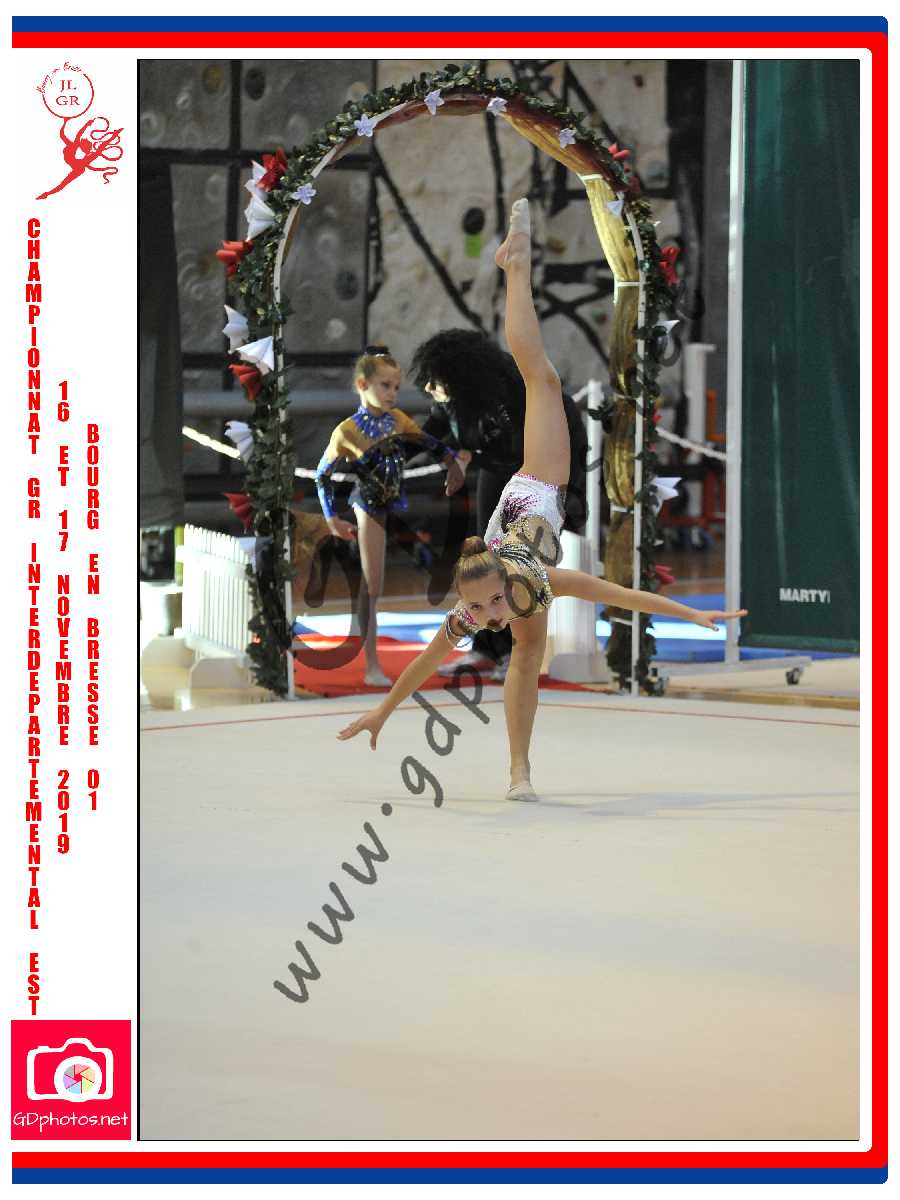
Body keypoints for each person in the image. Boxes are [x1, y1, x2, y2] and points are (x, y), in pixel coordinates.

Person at [337, 201, 746, 799]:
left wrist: (695, 617)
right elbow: (424, 662)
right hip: (515, 504)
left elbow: (622, 595)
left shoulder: (534, 579)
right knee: (526, 654)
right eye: (482, 611)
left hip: (538, 481)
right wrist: (383, 711)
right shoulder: (481, 602)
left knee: (543, 379)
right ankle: (519, 773)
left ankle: (516, 265)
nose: (488, 616)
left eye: (489, 606)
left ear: (501, 582)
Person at [409, 329, 588, 682]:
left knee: (517, 563)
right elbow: (432, 432)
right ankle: (487, 648)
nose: (428, 387)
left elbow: (535, 448)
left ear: (458, 376)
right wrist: (390, 455)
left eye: (434, 380)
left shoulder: (512, 389)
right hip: (499, 465)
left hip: (539, 472)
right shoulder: (456, 396)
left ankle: (517, 652)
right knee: (486, 558)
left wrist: (569, 495)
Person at [315, 346, 464, 686]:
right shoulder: (347, 431)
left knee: (385, 582)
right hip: (368, 505)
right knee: (374, 585)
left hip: (394, 503)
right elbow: (322, 475)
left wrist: (452, 463)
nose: (392, 393)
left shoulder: (398, 420)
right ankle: (371, 665)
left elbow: (429, 443)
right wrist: (331, 518)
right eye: (385, 386)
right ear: (362, 385)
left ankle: (372, 657)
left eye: (396, 386)